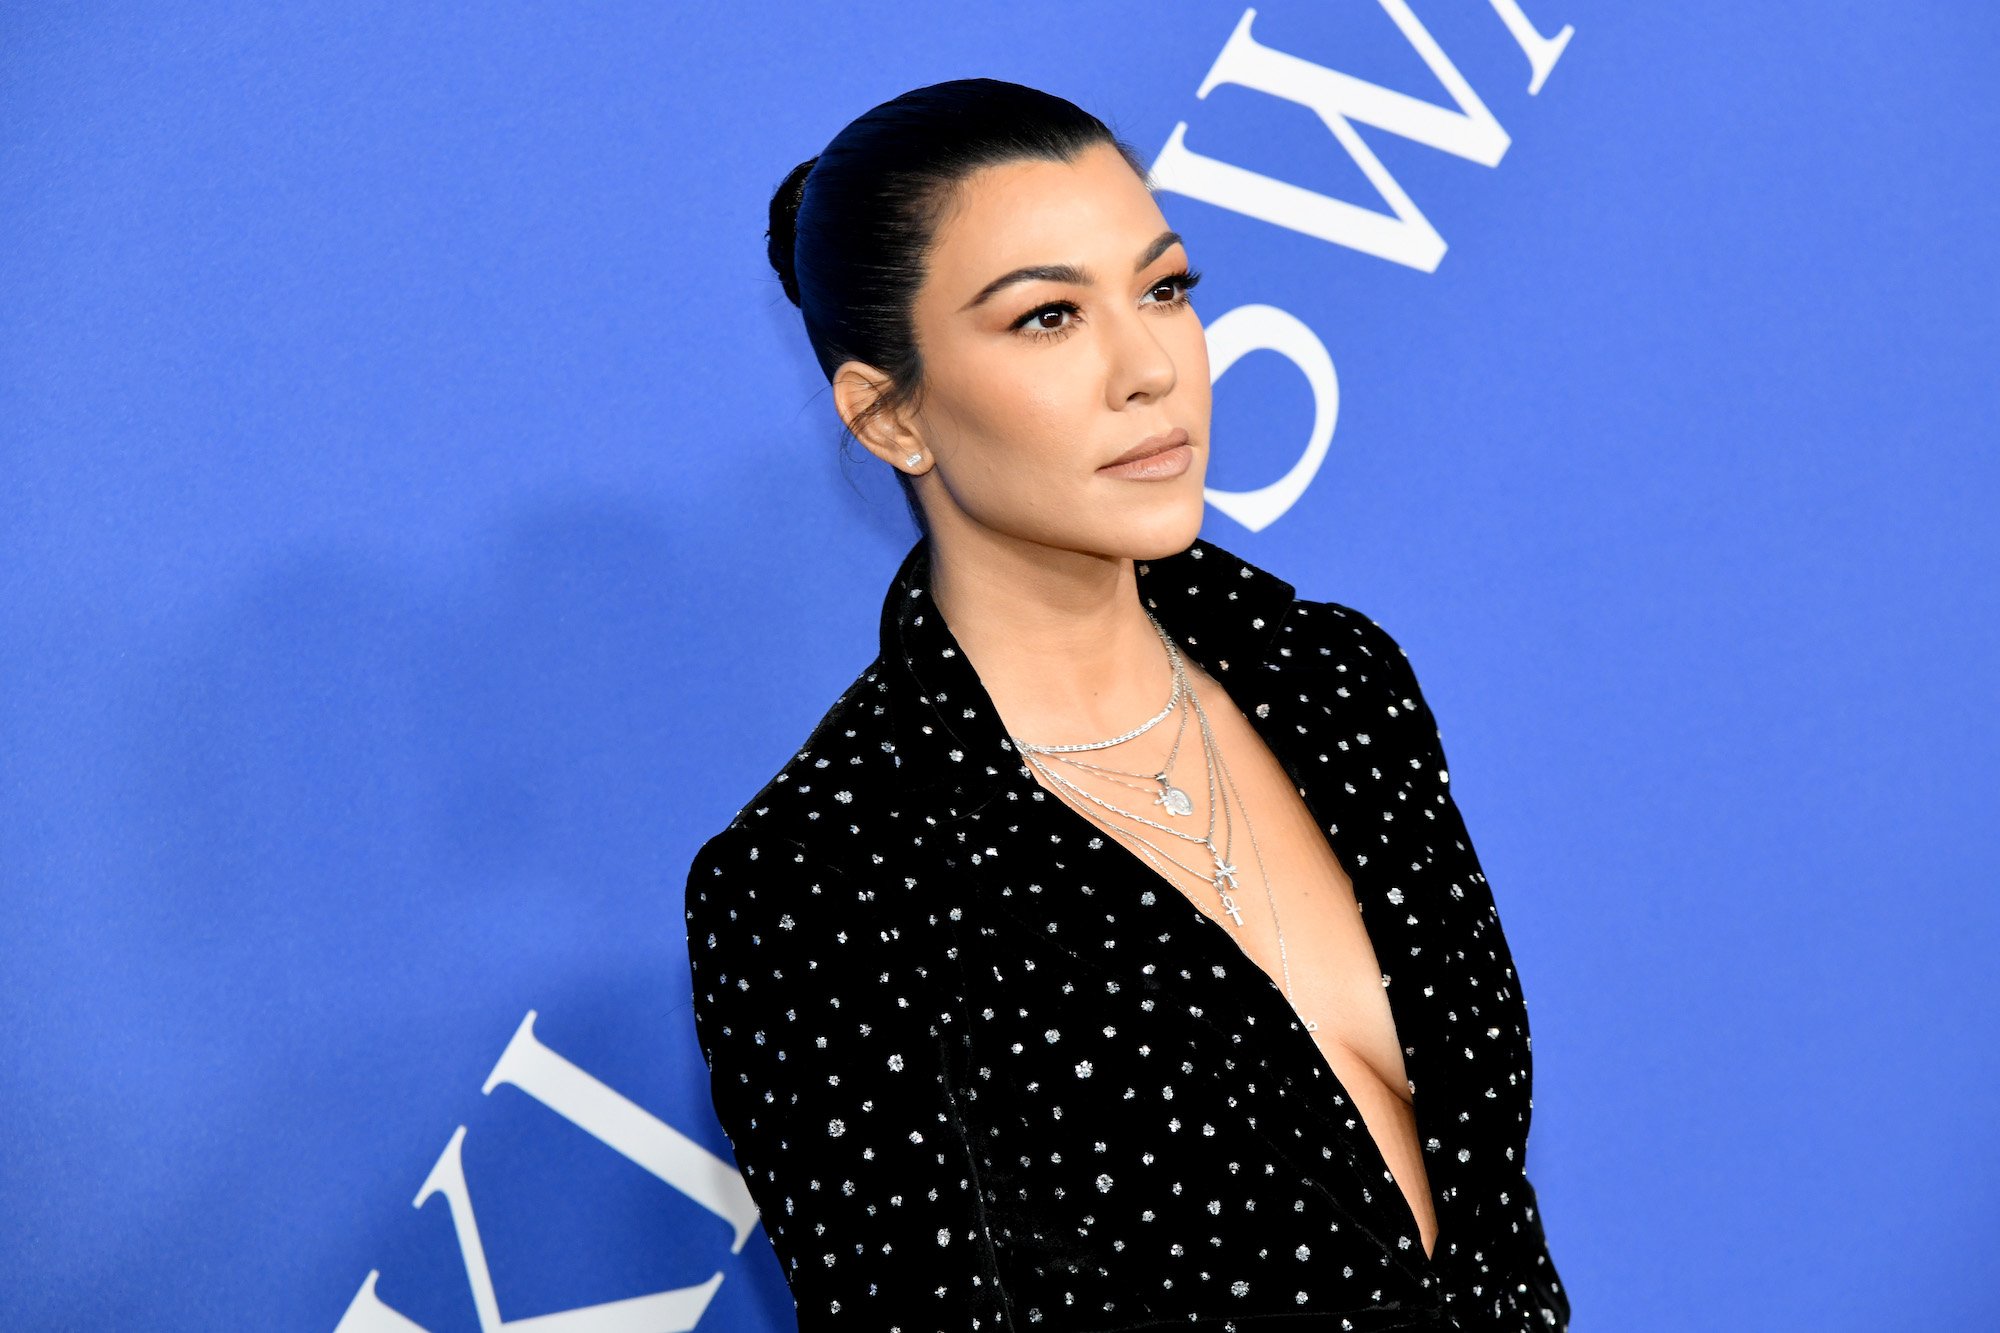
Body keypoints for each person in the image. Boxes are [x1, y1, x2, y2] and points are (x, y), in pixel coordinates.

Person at [683, 77, 1570, 1332]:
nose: (1149, 366)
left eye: (1162, 288)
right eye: (1047, 317)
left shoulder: (1334, 682)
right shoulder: (827, 878)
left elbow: (1494, 1224)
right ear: (890, 416)